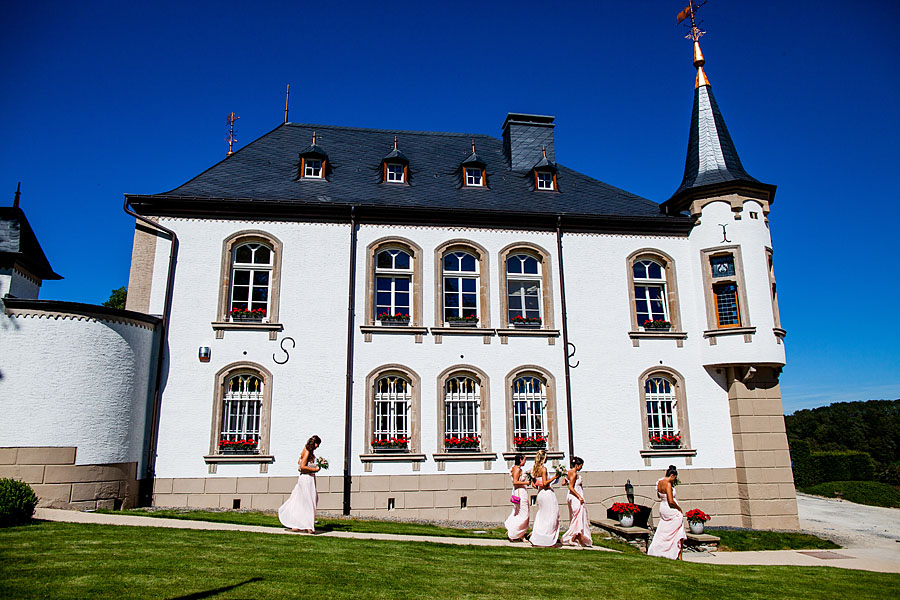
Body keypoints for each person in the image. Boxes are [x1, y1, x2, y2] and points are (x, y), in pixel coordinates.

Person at [278, 435, 321, 533]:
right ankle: (309, 526)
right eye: (317, 444)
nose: (317, 446)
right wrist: (315, 469)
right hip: (307, 478)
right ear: (314, 443)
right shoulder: (307, 451)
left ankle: (299, 523)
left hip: (307, 478)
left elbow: (299, 461)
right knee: (309, 500)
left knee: (301, 500)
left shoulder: (305, 450)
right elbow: (302, 466)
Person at [647, 464, 687, 559]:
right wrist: (679, 509)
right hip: (670, 508)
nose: (674, 481)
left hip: (663, 508)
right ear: (672, 475)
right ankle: (677, 553)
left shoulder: (659, 482)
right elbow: (671, 501)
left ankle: (658, 549)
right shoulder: (668, 484)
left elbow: (658, 495)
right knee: (679, 527)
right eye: (674, 478)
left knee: (664, 529)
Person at [528, 449, 560, 547]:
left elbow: (534, 484)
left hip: (540, 493)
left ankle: (539, 536)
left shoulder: (534, 469)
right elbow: (545, 483)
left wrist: (539, 483)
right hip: (547, 493)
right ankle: (548, 538)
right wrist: (555, 477)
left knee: (542, 515)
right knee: (552, 515)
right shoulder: (543, 469)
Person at [561, 456, 592, 547]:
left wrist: (567, 480)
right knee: (577, 517)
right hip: (575, 497)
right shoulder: (574, 473)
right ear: (577, 465)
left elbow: (564, 483)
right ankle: (571, 537)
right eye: (581, 466)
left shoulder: (569, 472)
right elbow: (571, 487)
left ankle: (578, 537)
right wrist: (579, 496)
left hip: (571, 496)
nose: (581, 468)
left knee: (576, 517)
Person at [504, 453, 530, 542]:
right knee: (524, 513)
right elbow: (515, 482)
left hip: (518, 491)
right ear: (520, 460)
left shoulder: (515, 468)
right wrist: (526, 483)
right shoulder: (517, 469)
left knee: (518, 512)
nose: (525, 462)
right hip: (519, 491)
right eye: (524, 460)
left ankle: (520, 533)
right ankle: (514, 532)